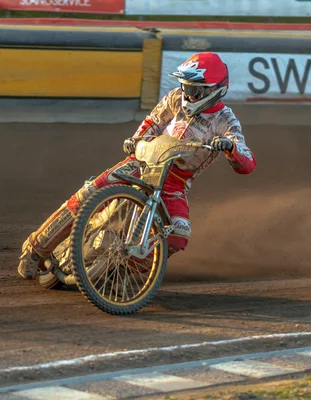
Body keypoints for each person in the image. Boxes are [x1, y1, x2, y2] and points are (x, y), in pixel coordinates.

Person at [18, 51, 256, 280]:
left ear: (215, 90)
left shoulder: (225, 120)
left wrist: (230, 148)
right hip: (143, 162)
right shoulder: (175, 97)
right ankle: (36, 249)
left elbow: (247, 162)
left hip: (174, 183)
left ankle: (119, 270)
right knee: (89, 193)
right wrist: (136, 139)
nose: (187, 93)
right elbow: (153, 121)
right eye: (185, 86)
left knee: (178, 235)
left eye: (194, 89)